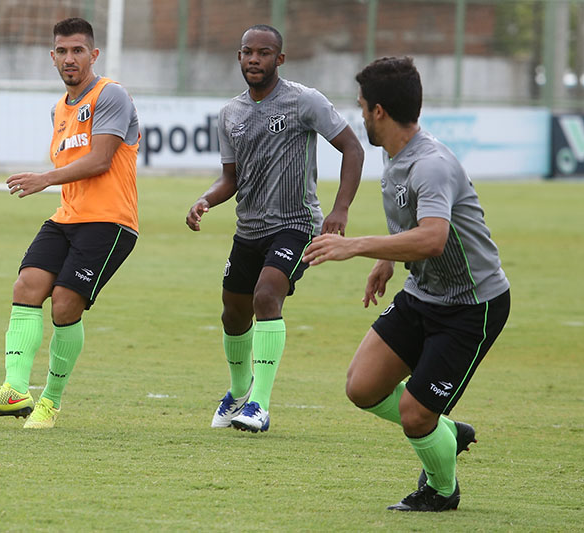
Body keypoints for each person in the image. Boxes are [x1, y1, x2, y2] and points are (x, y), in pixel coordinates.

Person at [302, 56, 511, 511]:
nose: (359, 115)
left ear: (379, 111)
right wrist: (386, 258)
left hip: (472, 305)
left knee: (416, 414)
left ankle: (440, 489)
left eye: (361, 107)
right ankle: (447, 432)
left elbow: (434, 238)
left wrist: (357, 246)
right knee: (362, 387)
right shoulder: (393, 153)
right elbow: (413, 226)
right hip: (423, 292)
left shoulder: (430, 164)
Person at [186, 25, 364, 434]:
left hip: (296, 225)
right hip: (248, 229)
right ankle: (237, 392)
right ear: (239, 56)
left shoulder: (304, 101)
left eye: (264, 53)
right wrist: (205, 200)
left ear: (279, 60)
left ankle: (260, 406)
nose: (254, 60)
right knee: (233, 312)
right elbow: (229, 178)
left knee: (267, 295)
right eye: (247, 52)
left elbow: (352, 148)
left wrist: (340, 208)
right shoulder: (229, 113)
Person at [0, 17, 140, 429]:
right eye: (62, 51)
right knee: (26, 286)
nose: (69, 59)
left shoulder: (111, 95)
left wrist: (43, 179)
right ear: (52, 57)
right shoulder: (58, 110)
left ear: (93, 55)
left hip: (111, 222)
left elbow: (100, 161)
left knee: (64, 302)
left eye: (78, 50)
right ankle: (14, 390)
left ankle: (51, 401)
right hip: (67, 217)